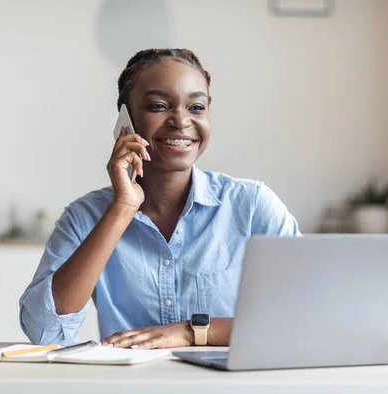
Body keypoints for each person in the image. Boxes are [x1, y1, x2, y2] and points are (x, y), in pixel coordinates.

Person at [19, 48, 300, 349]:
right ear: (126, 122)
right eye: (158, 105)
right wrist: (122, 208)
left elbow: (305, 316)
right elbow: (45, 331)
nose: (180, 121)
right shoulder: (85, 216)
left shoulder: (253, 206)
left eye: (196, 107)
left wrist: (190, 332)